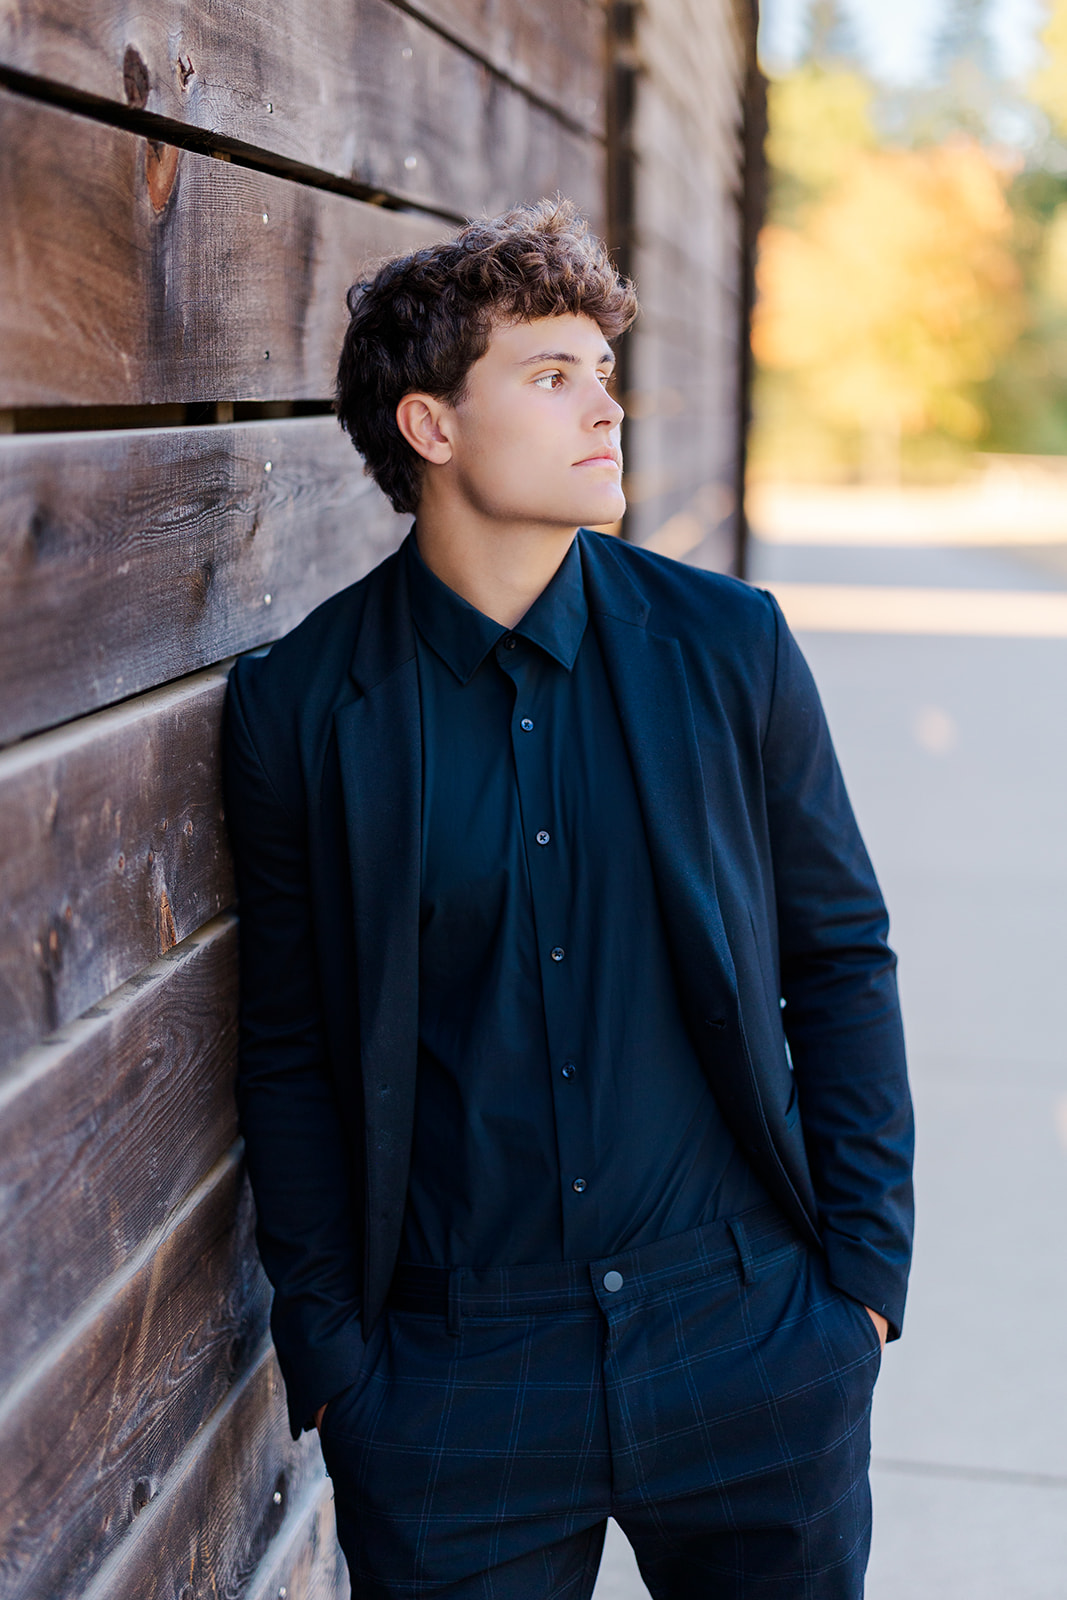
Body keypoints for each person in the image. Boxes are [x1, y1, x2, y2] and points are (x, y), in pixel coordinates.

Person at [222, 197, 914, 1600]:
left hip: (746, 1330)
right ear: (431, 427)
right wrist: (342, 1370)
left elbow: (839, 957)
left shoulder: (730, 649)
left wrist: (864, 1289)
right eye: (552, 376)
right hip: (453, 1384)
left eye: (603, 373)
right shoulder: (301, 708)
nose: (606, 408)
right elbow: (289, 1050)